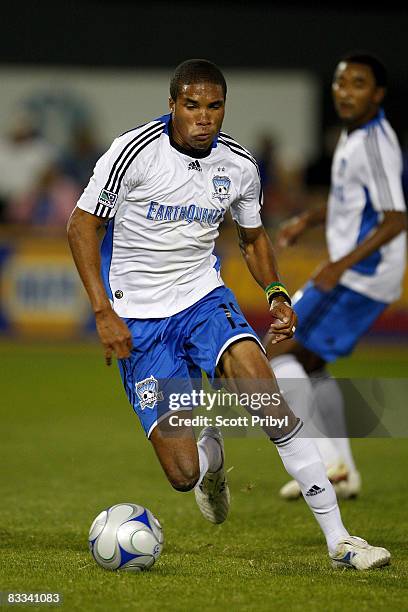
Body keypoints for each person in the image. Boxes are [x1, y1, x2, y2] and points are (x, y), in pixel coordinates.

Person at [67, 58, 390, 570]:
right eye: (192, 106)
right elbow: (81, 227)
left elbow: (253, 235)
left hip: (203, 298)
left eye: (214, 106)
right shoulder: (133, 155)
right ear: (171, 106)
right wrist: (103, 311)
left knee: (268, 400)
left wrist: (277, 292)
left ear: (224, 108)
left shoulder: (238, 165)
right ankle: (210, 461)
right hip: (141, 317)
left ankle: (341, 540)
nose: (204, 117)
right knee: (182, 474)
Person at [265, 52, 407, 500]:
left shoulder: (374, 142)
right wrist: (307, 219)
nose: (346, 92)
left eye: (358, 84)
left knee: (277, 351)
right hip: (357, 272)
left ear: (378, 94)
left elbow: (396, 218)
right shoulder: (353, 136)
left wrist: (338, 266)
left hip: (360, 275)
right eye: (341, 83)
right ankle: (342, 469)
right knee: (311, 363)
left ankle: (328, 464)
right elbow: (350, 200)